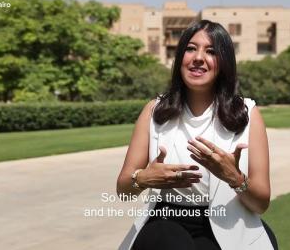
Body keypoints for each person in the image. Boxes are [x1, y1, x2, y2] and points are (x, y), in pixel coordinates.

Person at [117, 20, 275, 250]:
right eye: (191, 48)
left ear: (224, 63)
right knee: (167, 237)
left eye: (211, 51)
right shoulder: (154, 111)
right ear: (180, 57)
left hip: (225, 224)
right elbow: (123, 190)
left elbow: (260, 204)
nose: (198, 57)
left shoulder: (248, 114)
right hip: (163, 225)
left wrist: (234, 177)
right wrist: (142, 178)